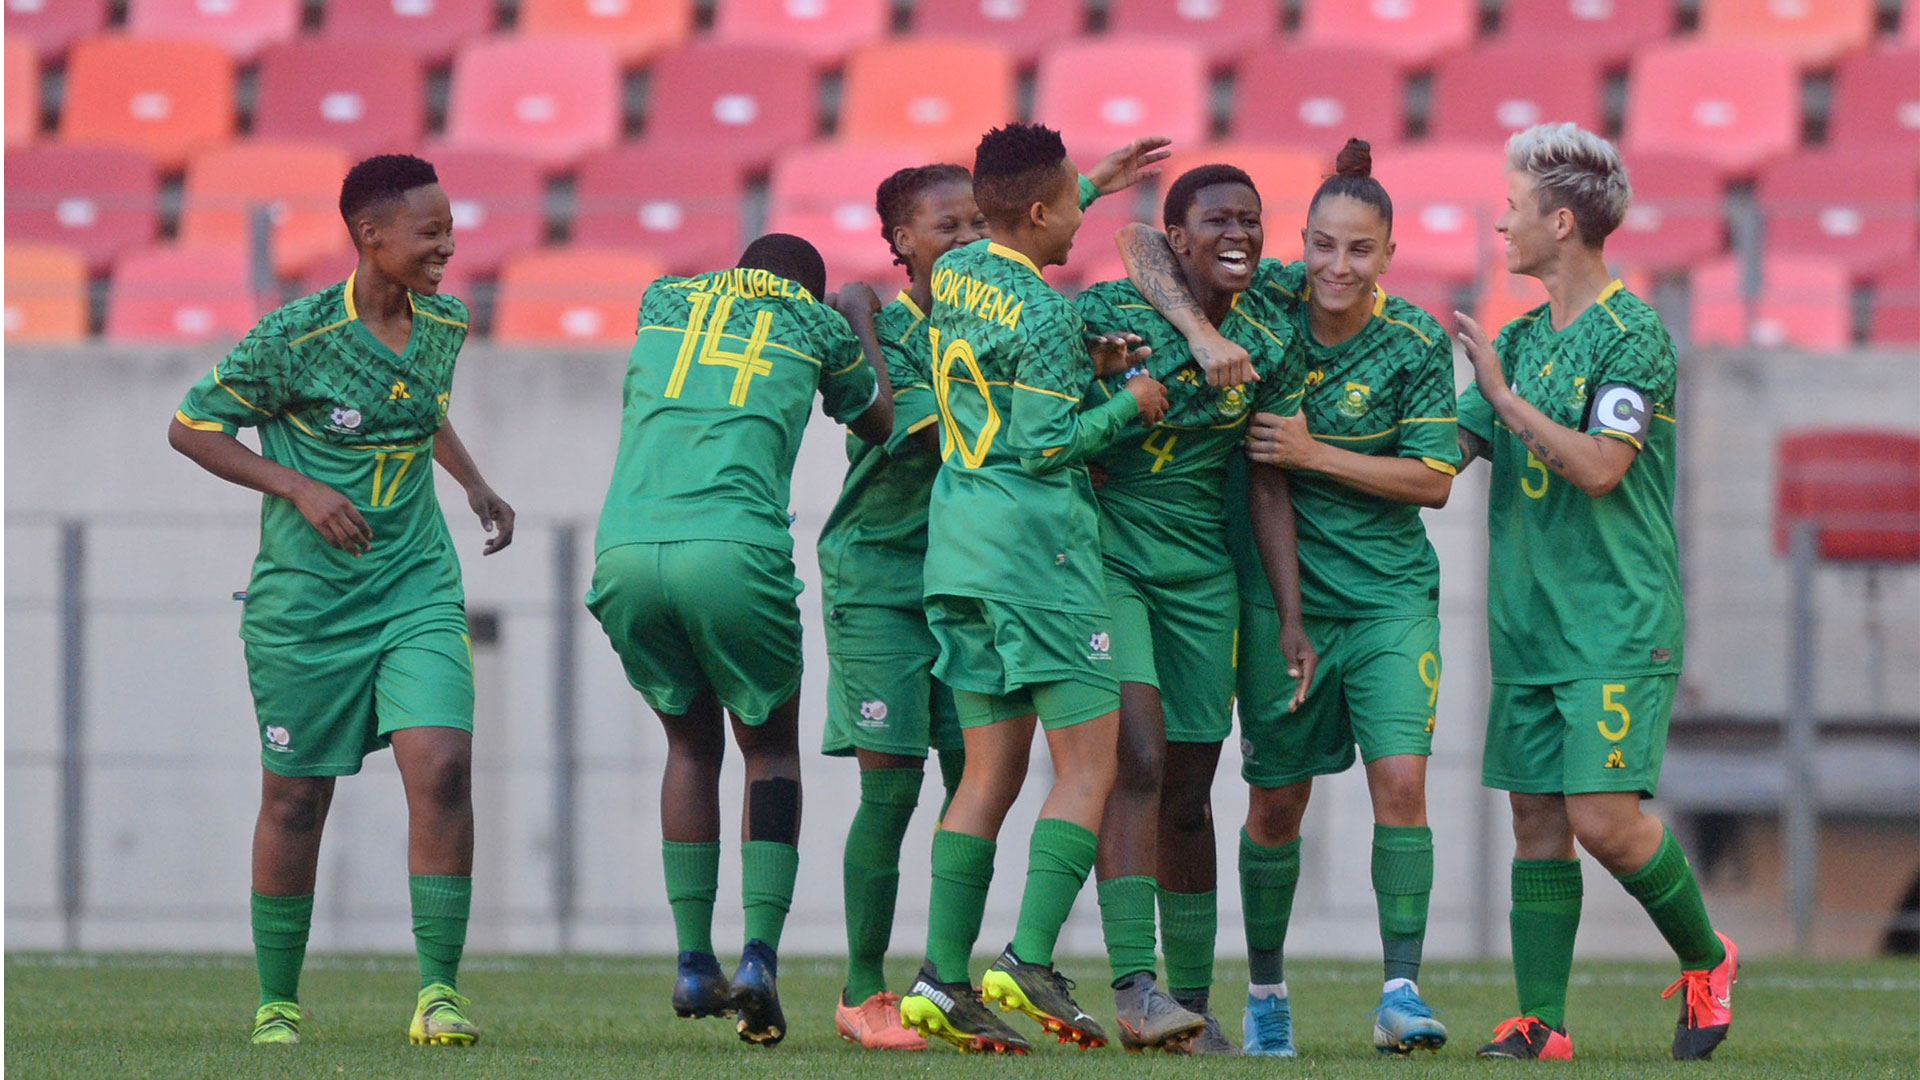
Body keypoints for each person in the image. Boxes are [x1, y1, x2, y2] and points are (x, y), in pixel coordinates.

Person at [821, 139, 1173, 1053]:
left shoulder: (962, 274)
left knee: (987, 776)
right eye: (1075, 207)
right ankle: (1024, 958)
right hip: (1039, 561)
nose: (1081, 220)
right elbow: (1049, 444)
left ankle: (939, 978)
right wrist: (1129, 401)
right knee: (1090, 767)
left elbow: (1018, 220)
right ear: (1046, 215)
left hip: (958, 558)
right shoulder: (1045, 312)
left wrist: (1089, 182)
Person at [168, 153, 515, 1048]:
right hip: (308, 606)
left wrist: (474, 483)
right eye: (430, 232)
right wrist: (298, 488)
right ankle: (277, 1003)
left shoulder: (445, 320)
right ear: (372, 235)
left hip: (416, 583)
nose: (447, 247)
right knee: (295, 801)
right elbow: (192, 426)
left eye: (450, 228)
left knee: (442, 767)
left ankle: (439, 994)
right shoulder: (295, 337)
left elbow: (419, 403)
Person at [1123, 138, 1460, 1056]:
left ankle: (1400, 991)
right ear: (1300, 245)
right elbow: (1140, 245)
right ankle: (1266, 990)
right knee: (1276, 804)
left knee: (1403, 782)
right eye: (1321, 245)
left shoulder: (1418, 343)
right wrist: (1197, 332)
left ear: (1388, 255)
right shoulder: (1266, 297)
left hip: (1390, 599)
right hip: (1277, 602)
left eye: (1358, 250)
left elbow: (1433, 480)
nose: (1336, 266)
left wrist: (1315, 454)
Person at [1453, 122, 1736, 1062]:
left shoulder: (1634, 334)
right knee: (1537, 817)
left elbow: (1603, 468)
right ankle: (1543, 1023)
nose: (1501, 225)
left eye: (1513, 208)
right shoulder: (1523, 339)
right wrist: (1312, 440)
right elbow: (1435, 460)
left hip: (1616, 620)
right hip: (1529, 625)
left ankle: (1708, 958)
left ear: (1561, 222)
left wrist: (1503, 399)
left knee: (1603, 819)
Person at [585, 234, 893, 1049]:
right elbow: (879, 418)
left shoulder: (663, 297)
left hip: (624, 552)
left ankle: (693, 960)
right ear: (808, 287)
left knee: (690, 751)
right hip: (733, 549)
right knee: (768, 752)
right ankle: (759, 956)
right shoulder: (819, 322)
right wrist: (856, 317)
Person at [1076, 163, 1314, 1054]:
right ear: (1182, 237)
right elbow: (1132, 236)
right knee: (1133, 753)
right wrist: (1188, 328)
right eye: (1217, 220)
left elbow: (1265, 479)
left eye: (1252, 220)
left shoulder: (1275, 327)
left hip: (1204, 578)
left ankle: (1190, 1002)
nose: (1240, 236)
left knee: (1188, 792)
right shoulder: (1116, 309)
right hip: (1113, 557)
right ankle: (1134, 985)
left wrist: (1288, 616)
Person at [817, 163, 982, 1051]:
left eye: (976, 224)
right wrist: (856, 317)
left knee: (975, 782)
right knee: (892, 789)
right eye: (945, 225)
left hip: (966, 582)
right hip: (879, 578)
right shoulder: (876, 328)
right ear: (902, 243)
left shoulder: (997, 327)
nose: (965, 239)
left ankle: (945, 982)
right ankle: (861, 992)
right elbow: (908, 427)